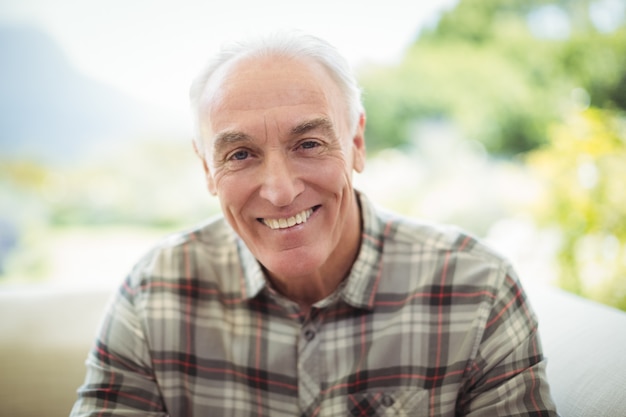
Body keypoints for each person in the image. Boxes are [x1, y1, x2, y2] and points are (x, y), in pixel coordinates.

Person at [70, 31, 558, 416]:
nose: (280, 191)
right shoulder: (153, 295)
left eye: (308, 143)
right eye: (240, 154)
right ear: (207, 171)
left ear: (357, 143)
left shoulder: (477, 291)